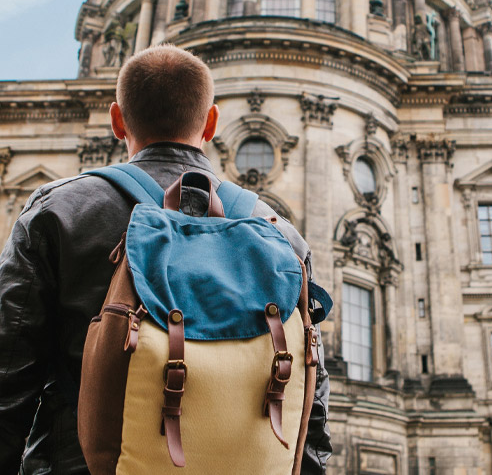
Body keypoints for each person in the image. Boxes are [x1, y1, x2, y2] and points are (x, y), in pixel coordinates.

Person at [0, 44, 332, 474]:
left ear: (117, 120)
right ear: (211, 122)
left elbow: (8, 381)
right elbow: (313, 404)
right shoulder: (281, 233)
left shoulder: (57, 211)